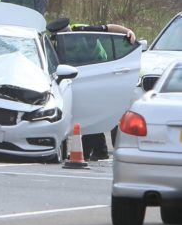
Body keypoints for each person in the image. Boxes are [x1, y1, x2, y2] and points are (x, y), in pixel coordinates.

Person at [46, 17, 136, 161]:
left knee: (94, 113)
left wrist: (128, 31)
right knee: (88, 114)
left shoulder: (83, 31)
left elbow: (108, 27)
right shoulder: (59, 44)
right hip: (80, 79)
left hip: (102, 75)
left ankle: (94, 151)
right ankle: (98, 151)